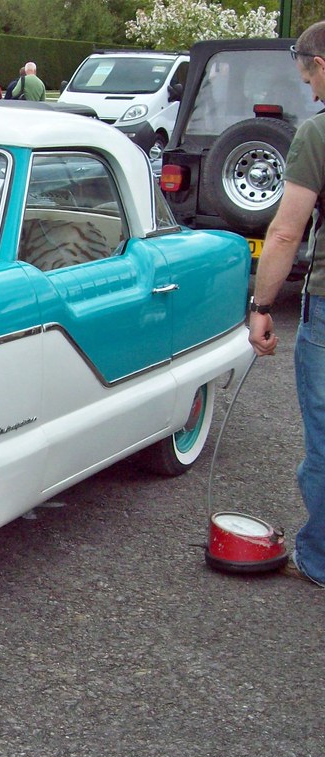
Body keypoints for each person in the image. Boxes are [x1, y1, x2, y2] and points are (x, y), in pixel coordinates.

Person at [248, 20, 325, 587]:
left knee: (324, 439)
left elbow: (283, 233)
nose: (311, 91)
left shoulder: (318, 134)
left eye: (308, 78)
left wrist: (261, 304)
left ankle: (320, 558)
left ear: (319, 63)